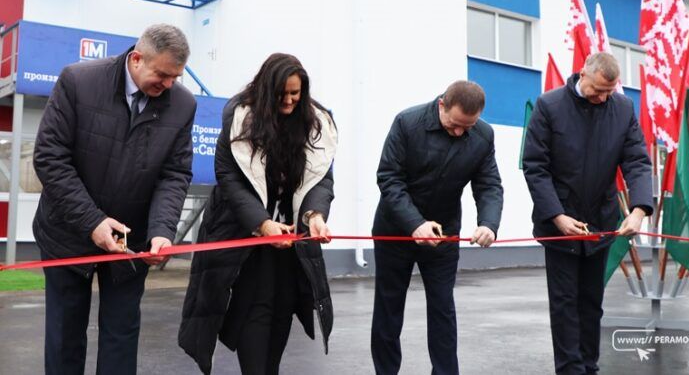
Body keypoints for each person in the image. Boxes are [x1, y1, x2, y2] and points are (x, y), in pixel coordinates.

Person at [32, 24, 196, 375]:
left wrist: (162, 231)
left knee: (121, 335)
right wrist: (92, 221)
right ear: (137, 59)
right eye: (162, 75)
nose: (169, 85)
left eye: (176, 77)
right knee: (64, 336)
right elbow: (50, 158)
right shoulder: (78, 82)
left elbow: (174, 174)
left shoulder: (183, 105)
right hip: (67, 233)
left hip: (130, 241)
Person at [179, 53, 338, 375]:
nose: (290, 100)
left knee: (283, 306)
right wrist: (262, 223)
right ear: (267, 90)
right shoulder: (240, 117)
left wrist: (315, 216)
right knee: (254, 307)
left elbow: (321, 180)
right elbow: (229, 177)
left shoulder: (316, 122)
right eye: (283, 94)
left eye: (296, 93)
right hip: (244, 232)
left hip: (290, 237)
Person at [522, 52, 653, 375]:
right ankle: (570, 370)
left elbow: (637, 161)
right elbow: (535, 166)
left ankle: (588, 367)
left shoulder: (622, 108)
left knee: (592, 302)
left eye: (609, 91)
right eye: (597, 90)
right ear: (583, 75)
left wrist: (638, 210)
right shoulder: (549, 106)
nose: (602, 98)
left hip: (600, 222)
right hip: (559, 224)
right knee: (565, 303)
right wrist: (557, 216)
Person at [370, 80, 504, 375]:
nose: (459, 132)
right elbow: (389, 178)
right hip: (396, 230)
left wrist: (489, 224)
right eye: (454, 124)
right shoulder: (408, 123)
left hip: (444, 234)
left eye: (467, 127)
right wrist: (415, 224)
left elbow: (489, 185)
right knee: (389, 308)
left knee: (443, 307)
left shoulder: (483, 136)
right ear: (442, 104)